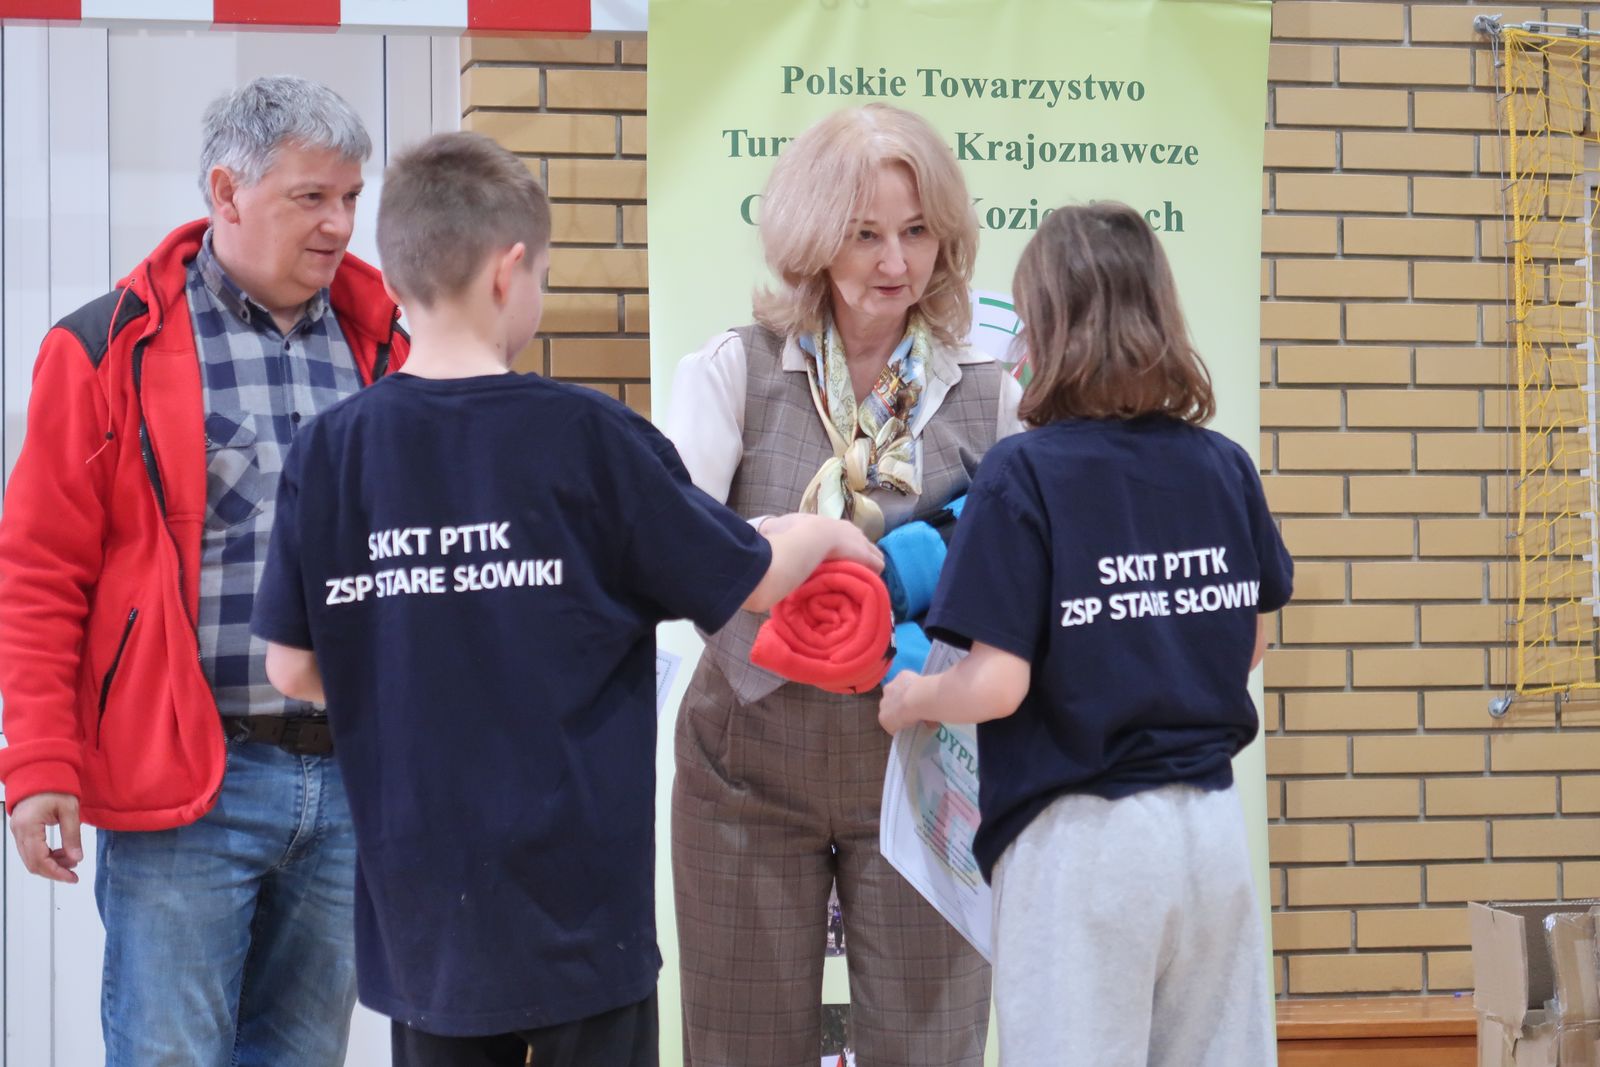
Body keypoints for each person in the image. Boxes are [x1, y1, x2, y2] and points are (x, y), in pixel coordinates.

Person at [249, 130, 883, 1067]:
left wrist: (419, 663)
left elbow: (293, 665)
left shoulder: (331, 451)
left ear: (397, 273)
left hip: (423, 917)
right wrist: (826, 533)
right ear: (509, 272)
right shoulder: (590, 438)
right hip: (580, 919)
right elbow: (748, 574)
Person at [0, 76, 405, 1064]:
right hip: (189, 784)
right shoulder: (105, 347)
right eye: (311, 197)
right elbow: (40, 571)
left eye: (351, 197)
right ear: (227, 192)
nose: (340, 223)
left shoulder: (391, 343)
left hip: (351, 782)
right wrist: (38, 761)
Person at [878, 201, 1293, 1067]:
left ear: (1045, 326)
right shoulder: (1223, 464)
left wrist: (914, 696)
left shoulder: (1022, 473)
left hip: (1084, 844)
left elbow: (997, 685)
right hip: (1212, 834)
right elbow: (1250, 644)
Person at [665, 102, 1021, 1067]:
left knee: (928, 1045)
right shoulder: (735, 369)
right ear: (814, 235)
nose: (895, 261)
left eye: (917, 231)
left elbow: (1024, 578)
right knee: (739, 1045)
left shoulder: (992, 392)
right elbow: (675, 552)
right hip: (743, 765)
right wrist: (795, 550)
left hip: (924, 762)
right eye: (865, 233)